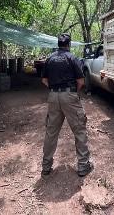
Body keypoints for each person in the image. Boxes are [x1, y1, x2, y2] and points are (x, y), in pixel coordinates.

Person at [41, 33, 93, 177]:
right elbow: (81, 81)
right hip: (69, 95)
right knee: (79, 130)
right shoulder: (72, 58)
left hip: (53, 96)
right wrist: (72, 93)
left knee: (51, 132)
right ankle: (83, 166)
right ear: (69, 44)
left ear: (57, 44)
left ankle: (46, 166)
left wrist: (54, 90)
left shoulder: (49, 59)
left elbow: (44, 80)